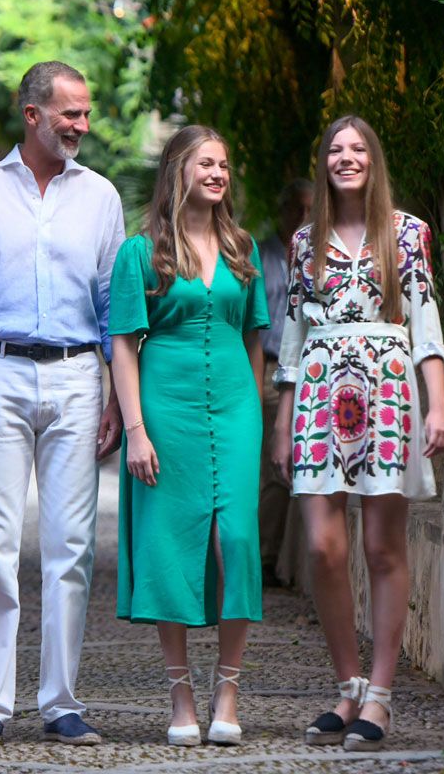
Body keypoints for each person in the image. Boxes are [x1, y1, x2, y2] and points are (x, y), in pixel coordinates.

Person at [0, 61, 126, 749]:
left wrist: (112, 395)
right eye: (69, 113)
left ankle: (61, 702)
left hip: (76, 377)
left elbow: (111, 308)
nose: (81, 125)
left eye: (86, 112)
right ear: (31, 114)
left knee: (71, 546)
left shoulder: (101, 197)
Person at [271, 116, 444, 752]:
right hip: (321, 393)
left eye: (359, 149)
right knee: (322, 545)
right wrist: (283, 416)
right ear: (324, 164)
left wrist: (438, 405)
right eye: (335, 151)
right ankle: (346, 684)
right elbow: (291, 333)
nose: (346, 159)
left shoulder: (407, 234)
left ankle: (379, 695)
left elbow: (425, 322)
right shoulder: (303, 242)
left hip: (389, 390)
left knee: (381, 546)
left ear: (373, 161)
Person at [110, 125, 268, 747]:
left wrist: (254, 417)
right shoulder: (139, 251)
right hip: (164, 410)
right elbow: (122, 345)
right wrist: (135, 430)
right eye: (207, 163)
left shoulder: (240, 246)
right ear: (179, 169)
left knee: (238, 541)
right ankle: (181, 697)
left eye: (225, 165)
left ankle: (228, 691)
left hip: (233, 410)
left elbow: (255, 339)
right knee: (169, 544)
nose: (218, 173)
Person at [257, 179, 314, 587]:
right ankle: (264, 558)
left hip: (313, 372)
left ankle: (291, 563)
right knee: (273, 467)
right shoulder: (262, 257)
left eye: (312, 209)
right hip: (269, 368)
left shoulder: (316, 254)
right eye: (299, 208)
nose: (304, 218)